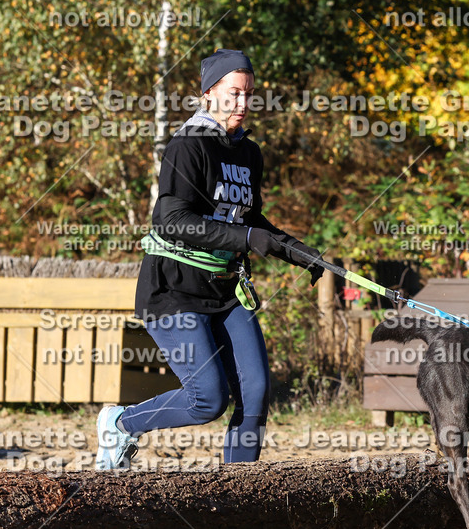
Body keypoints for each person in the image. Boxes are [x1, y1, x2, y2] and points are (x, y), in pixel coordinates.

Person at [95, 48, 325, 470]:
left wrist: (300, 252)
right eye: (234, 93)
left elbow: (248, 218)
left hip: (225, 292)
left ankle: (242, 492)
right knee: (208, 399)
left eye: (249, 95)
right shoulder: (188, 146)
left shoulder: (248, 153)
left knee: (255, 394)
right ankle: (122, 422)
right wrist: (246, 236)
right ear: (208, 94)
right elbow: (171, 219)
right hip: (174, 291)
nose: (243, 103)